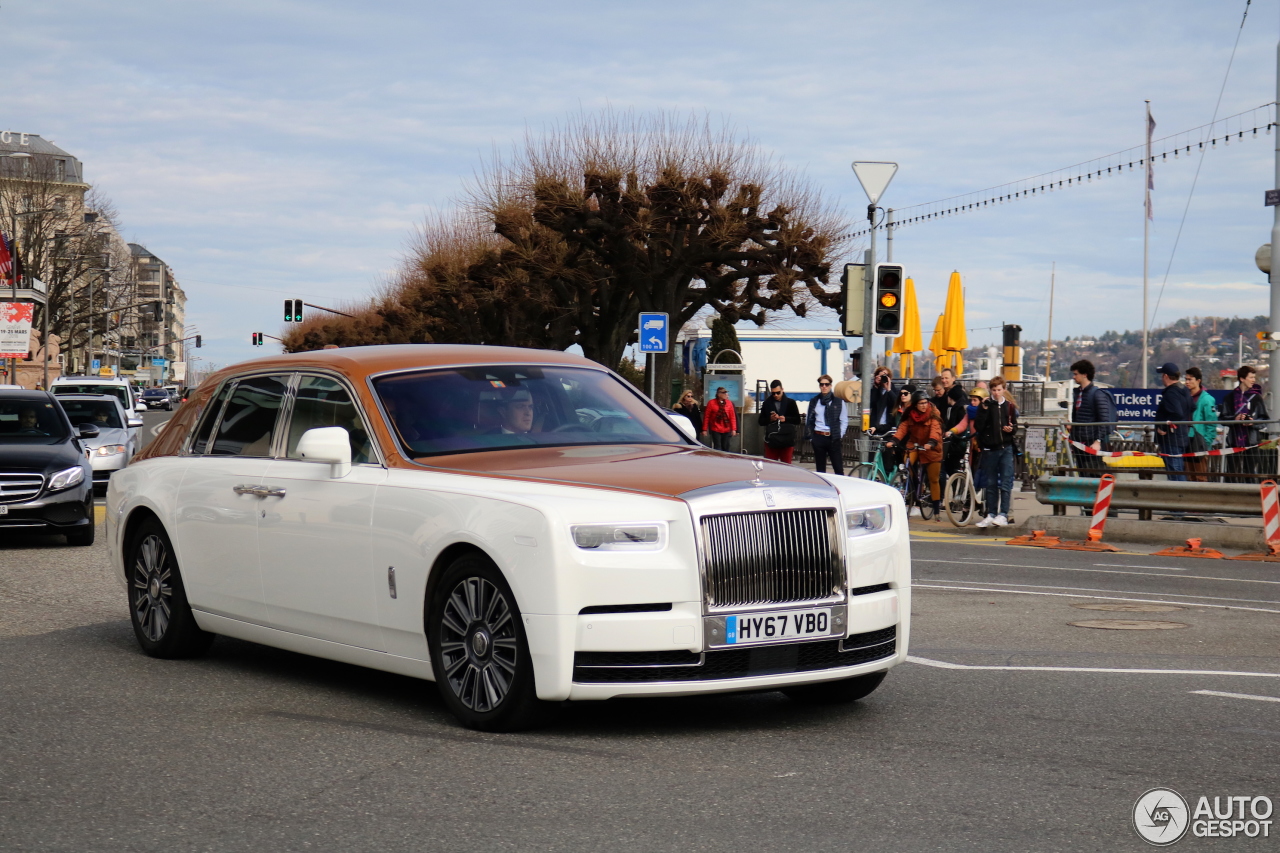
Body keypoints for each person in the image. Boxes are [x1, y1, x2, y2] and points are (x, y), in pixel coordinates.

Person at [888, 389, 944, 517]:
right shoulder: (910, 415)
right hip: (914, 444)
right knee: (907, 465)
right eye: (921, 403)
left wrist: (931, 443)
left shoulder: (933, 414)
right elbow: (902, 428)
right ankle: (912, 487)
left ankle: (936, 511)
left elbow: (935, 430)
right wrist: (894, 440)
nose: (924, 405)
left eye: (926, 402)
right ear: (915, 405)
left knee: (933, 478)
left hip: (931, 447)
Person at [974, 376, 1018, 528]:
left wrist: (1011, 429)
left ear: (1004, 390)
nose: (997, 393)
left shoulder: (1009, 406)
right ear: (990, 391)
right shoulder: (986, 405)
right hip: (990, 448)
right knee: (991, 483)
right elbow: (979, 426)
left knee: (1005, 482)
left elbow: (1015, 426)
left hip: (1005, 447)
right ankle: (991, 513)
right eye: (994, 390)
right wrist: (985, 409)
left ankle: (1003, 514)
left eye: (999, 390)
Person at [1069, 359, 1116, 477]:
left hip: (1091, 441)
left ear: (1085, 375)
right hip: (1080, 441)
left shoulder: (1097, 394)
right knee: (1083, 473)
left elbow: (1103, 419)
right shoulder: (1079, 393)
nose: (1074, 377)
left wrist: (1097, 441)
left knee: (1093, 474)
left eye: (1076, 374)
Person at [1220, 364, 1268, 478]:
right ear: (1242, 379)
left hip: (1251, 442)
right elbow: (1222, 419)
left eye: (1254, 377)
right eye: (1251, 377)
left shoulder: (1256, 398)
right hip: (1233, 442)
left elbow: (1265, 420)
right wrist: (1234, 419)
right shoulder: (1229, 398)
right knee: (1231, 474)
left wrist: (1253, 422)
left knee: (1250, 474)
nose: (1253, 380)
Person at [1153, 362, 1193, 482]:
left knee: (1174, 472)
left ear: (1166, 376)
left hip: (1171, 438)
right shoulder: (1184, 390)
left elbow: (1177, 413)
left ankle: (1180, 497)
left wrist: (1163, 427)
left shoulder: (1170, 393)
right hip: (1182, 435)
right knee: (1178, 469)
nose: (1161, 379)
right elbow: (1192, 407)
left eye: (1162, 376)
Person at [806, 374, 847, 475]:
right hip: (818, 436)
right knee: (820, 470)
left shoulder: (839, 402)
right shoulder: (814, 401)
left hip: (833, 437)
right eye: (822, 384)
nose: (824, 386)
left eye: (826, 384)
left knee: (838, 468)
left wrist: (839, 434)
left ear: (830, 386)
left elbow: (844, 420)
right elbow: (809, 420)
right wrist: (812, 437)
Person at [1184, 367, 1217, 483]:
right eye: (1186, 379)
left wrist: (1206, 443)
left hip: (1199, 441)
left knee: (1200, 477)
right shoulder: (1185, 397)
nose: (1187, 382)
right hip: (1186, 439)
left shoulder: (1207, 400)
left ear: (1198, 381)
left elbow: (1212, 424)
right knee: (1189, 476)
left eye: (1190, 379)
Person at [932, 374, 968, 479]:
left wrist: (950, 432)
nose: (944, 380)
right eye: (943, 378)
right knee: (947, 468)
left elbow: (961, 423)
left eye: (946, 378)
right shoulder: (949, 406)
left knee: (949, 467)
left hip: (954, 441)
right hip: (949, 438)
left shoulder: (958, 407)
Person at [757, 380, 801, 463]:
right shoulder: (767, 403)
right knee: (770, 466)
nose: (776, 395)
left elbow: (797, 420)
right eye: (773, 393)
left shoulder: (790, 402)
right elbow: (760, 421)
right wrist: (770, 419)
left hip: (786, 439)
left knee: (786, 466)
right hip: (773, 440)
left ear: (782, 390)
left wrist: (786, 419)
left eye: (778, 392)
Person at [703, 386, 737, 452]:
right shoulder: (711, 403)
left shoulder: (729, 403)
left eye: (726, 393)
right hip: (715, 428)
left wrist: (734, 429)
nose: (725, 394)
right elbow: (706, 417)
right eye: (723, 393)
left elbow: (732, 417)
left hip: (726, 428)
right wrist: (704, 429)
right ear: (718, 394)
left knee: (726, 446)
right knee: (717, 447)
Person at [867, 367, 897, 435]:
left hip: (888, 426)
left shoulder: (893, 389)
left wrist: (888, 389)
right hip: (875, 427)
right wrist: (875, 386)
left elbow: (896, 403)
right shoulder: (875, 390)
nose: (883, 378)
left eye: (886, 376)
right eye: (881, 376)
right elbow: (871, 403)